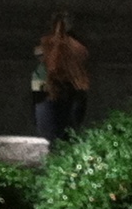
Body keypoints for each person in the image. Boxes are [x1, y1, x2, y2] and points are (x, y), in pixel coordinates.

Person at [33, 10, 90, 139]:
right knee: (64, 132)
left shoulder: (48, 44)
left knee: (55, 132)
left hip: (57, 86)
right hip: (63, 86)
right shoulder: (77, 46)